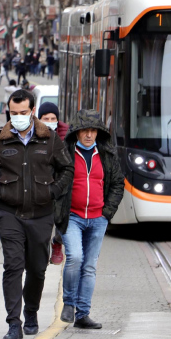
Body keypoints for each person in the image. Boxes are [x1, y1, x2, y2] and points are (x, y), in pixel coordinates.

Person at [0, 89, 74, 339]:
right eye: (13, 112)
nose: (17, 117)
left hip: (42, 214)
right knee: (13, 266)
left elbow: (67, 168)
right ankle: (13, 323)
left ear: (32, 111)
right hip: (10, 213)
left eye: (22, 112)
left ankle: (31, 312)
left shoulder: (49, 139)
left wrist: (52, 191)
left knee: (37, 269)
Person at [56, 110, 124, 328]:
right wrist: (59, 213)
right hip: (73, 217)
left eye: (93, 131)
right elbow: (55, 184)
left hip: (97, 218)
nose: (88, 135)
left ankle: (82, 314)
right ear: (76, 132)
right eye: (84, 130)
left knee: (89, 266)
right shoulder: (65, 154)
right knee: (75, 258)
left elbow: (118, 184)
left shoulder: (106, 155)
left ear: (98, 133)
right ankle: (69, 303)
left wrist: (107, 213)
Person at [39, 102, 69, 265]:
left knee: (61, 220)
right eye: (46, 118)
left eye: (53, 118)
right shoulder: (34, 135)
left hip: (60, 186)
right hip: (41, 186)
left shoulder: (67, 135)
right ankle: (42, 252)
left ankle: (57, 243)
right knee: (42, 225)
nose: (50, 121)